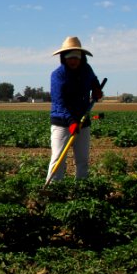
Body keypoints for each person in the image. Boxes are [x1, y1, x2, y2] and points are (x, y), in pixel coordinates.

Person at [47, 36, 103, 183]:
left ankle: (81, 190)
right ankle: (54, 189)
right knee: (58, 158)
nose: (73, 60)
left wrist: (96, 89)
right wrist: (71, 121)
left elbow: (93, 80)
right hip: (62, 122)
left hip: (83, 119)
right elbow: (59, 102)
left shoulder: (86, 69)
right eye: (69, 57)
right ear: (63, 57)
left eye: (76, 57)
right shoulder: (58, 75)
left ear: (81, 57)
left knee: (83, 160)